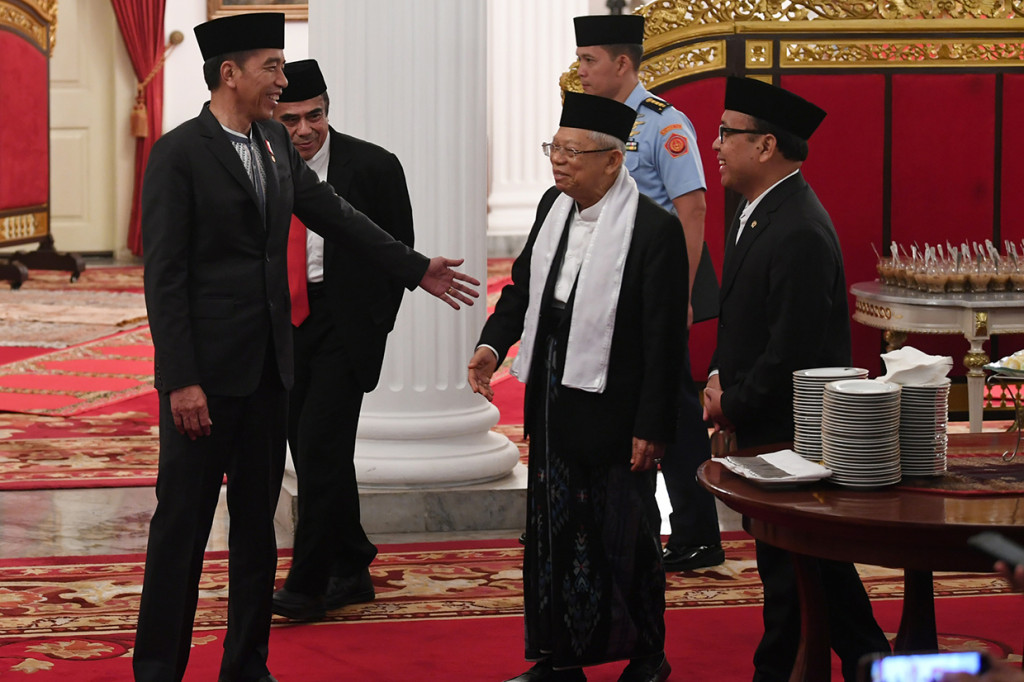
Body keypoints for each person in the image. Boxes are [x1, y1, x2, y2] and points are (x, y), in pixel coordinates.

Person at [135, 13, 478, 682]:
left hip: (269, 372)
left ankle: (246, 666)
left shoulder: (271, 142)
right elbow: (165, 279)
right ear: (230, 73)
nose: (281, 81)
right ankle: (157, 670)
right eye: (272, 66)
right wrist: (181, 380)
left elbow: (333, 214)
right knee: (180, 528)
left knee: (257, 532)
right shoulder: (178, 154)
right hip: (203, 381)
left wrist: (415, 267)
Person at [468, 90, 683, 682]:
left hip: (616, 404)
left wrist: (652, 427)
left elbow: (665, 342)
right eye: (554, 149)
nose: (558, 162)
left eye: (572, 153)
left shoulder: (654, 231)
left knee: (626, 534)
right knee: (553, 529)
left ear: (613, 161)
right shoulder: (551, 206)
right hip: (552, 393)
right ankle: (559, 659)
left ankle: (648, 656)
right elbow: (522, 292)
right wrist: (492, 345)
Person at [701, 76, 890, 682]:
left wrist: (731, 402)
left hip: (793, 431)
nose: (716, 144)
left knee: (800, 572)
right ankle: (868, 664)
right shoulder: (759, 212)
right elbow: (750, 323)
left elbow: (793, 355)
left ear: (765, 146)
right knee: (800, 571)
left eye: (728, 133)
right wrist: (720, 377)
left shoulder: (799, 228)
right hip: (765, 422)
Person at [573, 14, 723, 571]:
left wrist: (679, 295)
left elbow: (693, 210)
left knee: (676, 412)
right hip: (606, 287)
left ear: (622, 63)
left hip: (657, 285)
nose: (581, 70)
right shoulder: (591, 123)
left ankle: (698, 532)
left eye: (589, 60)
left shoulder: (664, 125)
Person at [266, 59, 414, 621]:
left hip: (342, 323)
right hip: (284, 323)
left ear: (328, 110)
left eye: (316, 116)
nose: (305, 130)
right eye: (291, 120)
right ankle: (352, 565)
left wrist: (371, 325)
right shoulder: (259, 160)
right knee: (309, 450)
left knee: (322, 448)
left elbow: (399, 250)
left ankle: (306, 584)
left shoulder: (373, 166)